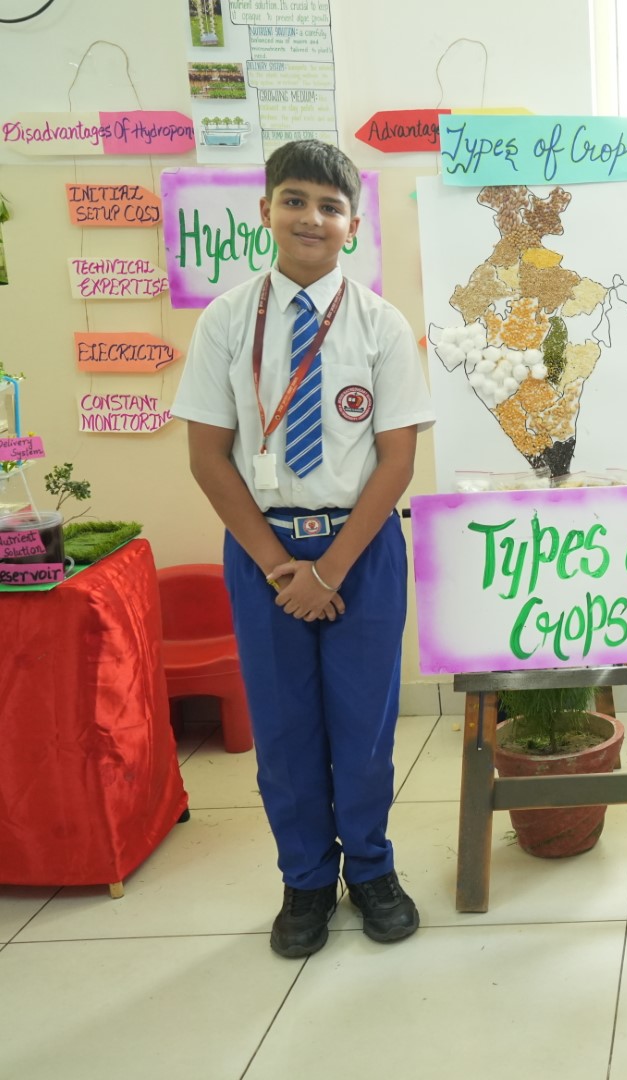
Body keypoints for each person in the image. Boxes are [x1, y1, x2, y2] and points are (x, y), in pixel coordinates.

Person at [172, 140, 434, 958]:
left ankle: (373, 869)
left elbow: (397, 461)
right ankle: (306, 881)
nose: (311, 218)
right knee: (285, 732)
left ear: (354, 224)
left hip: (361, 547)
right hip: (265, 552)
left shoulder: (381, 324)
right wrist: (279, 565)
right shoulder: (225, 320)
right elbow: (207, 455)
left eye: (329, 206)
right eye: (294, 200)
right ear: (266, 211)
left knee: (364, 726)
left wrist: (328, 570)